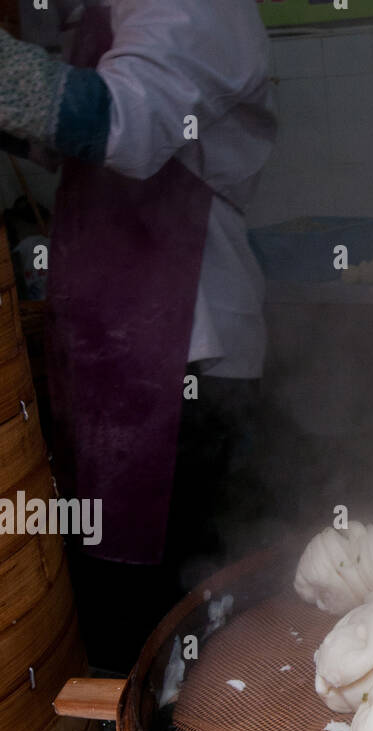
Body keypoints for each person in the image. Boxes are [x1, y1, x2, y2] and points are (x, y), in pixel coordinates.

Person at [0, 0, 276, 669]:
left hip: (187, 364)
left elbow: (123, 121)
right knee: (118, 607)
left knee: (184, 623)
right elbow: (52, 138)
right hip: (108, 358)